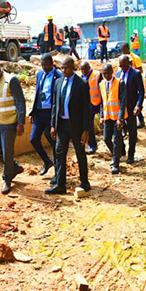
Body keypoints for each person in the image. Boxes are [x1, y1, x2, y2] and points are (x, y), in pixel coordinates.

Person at [47, 57, 90, 194]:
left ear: (73, 68)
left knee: (80, 153)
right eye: (62, 68)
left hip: (76, 126)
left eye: (66, 68)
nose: (63, 70)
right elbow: (55, 105)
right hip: (61, 125)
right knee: (59, 153)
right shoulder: (58, 83)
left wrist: (86, 130)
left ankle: (84, 182)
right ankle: (60, 184)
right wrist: (53, 125)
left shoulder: (81, 84)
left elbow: (86, 110)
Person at [0, 59, 26, 195]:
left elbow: (20, 102)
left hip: (9, 123)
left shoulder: (11, 80)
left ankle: (7, 179)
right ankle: (13, 167)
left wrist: (21, 123)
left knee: (7, 152)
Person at [29, 53, 62, 176]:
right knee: (33, 139)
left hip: (51, 113)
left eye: (46, 65)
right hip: (39, 112)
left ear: (52, 63)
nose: (44, 67)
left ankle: (58, 173)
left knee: (53, 142)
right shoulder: (39, 75)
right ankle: (47, 161)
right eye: (42, 65)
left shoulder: (58, 76)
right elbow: (38, 93)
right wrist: (33, 112)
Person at [115, 55, 143, 164]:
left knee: (132, 132)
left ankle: (131, 155)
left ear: (128, 64)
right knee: (119, 130)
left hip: (131, 107)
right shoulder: (118, 75)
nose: (122, 68)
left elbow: (141, 91)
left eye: (124, 66)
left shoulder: (135, 74)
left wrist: (138, 105)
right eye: (120, 66)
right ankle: (122, 151)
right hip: (120, 108)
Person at [99, 63, 126, 174]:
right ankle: (119, 153)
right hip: (107, 116)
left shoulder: (120, 83)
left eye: (107, 73)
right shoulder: (101, 84)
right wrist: (101, 116)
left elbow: (123, 101)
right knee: (106, 139)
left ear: (112, 72)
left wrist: (120, 118)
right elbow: (102, 102)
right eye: (103, 73)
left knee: (117, 139)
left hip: (117, 117)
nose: (105, 75)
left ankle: (115, 163)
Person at [120, 42, 145, 128]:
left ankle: (141, 121)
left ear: (128, 49)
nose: (123, 52)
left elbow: (140, 69)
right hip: (125, 86)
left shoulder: (135, 58)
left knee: (135, 104)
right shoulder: (121, 59)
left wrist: (132, 74)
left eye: (124, 50)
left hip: (134, 81)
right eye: (122, 51)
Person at [80, 61, 102, 154]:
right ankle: (92, 145)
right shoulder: (81, 78)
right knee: (89, 125)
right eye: (82, 69)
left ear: (89, 67)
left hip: (97, 103)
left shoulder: (97, 75)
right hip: (87, 105)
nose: (83, 71)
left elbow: (102, 88)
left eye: (85, 69)